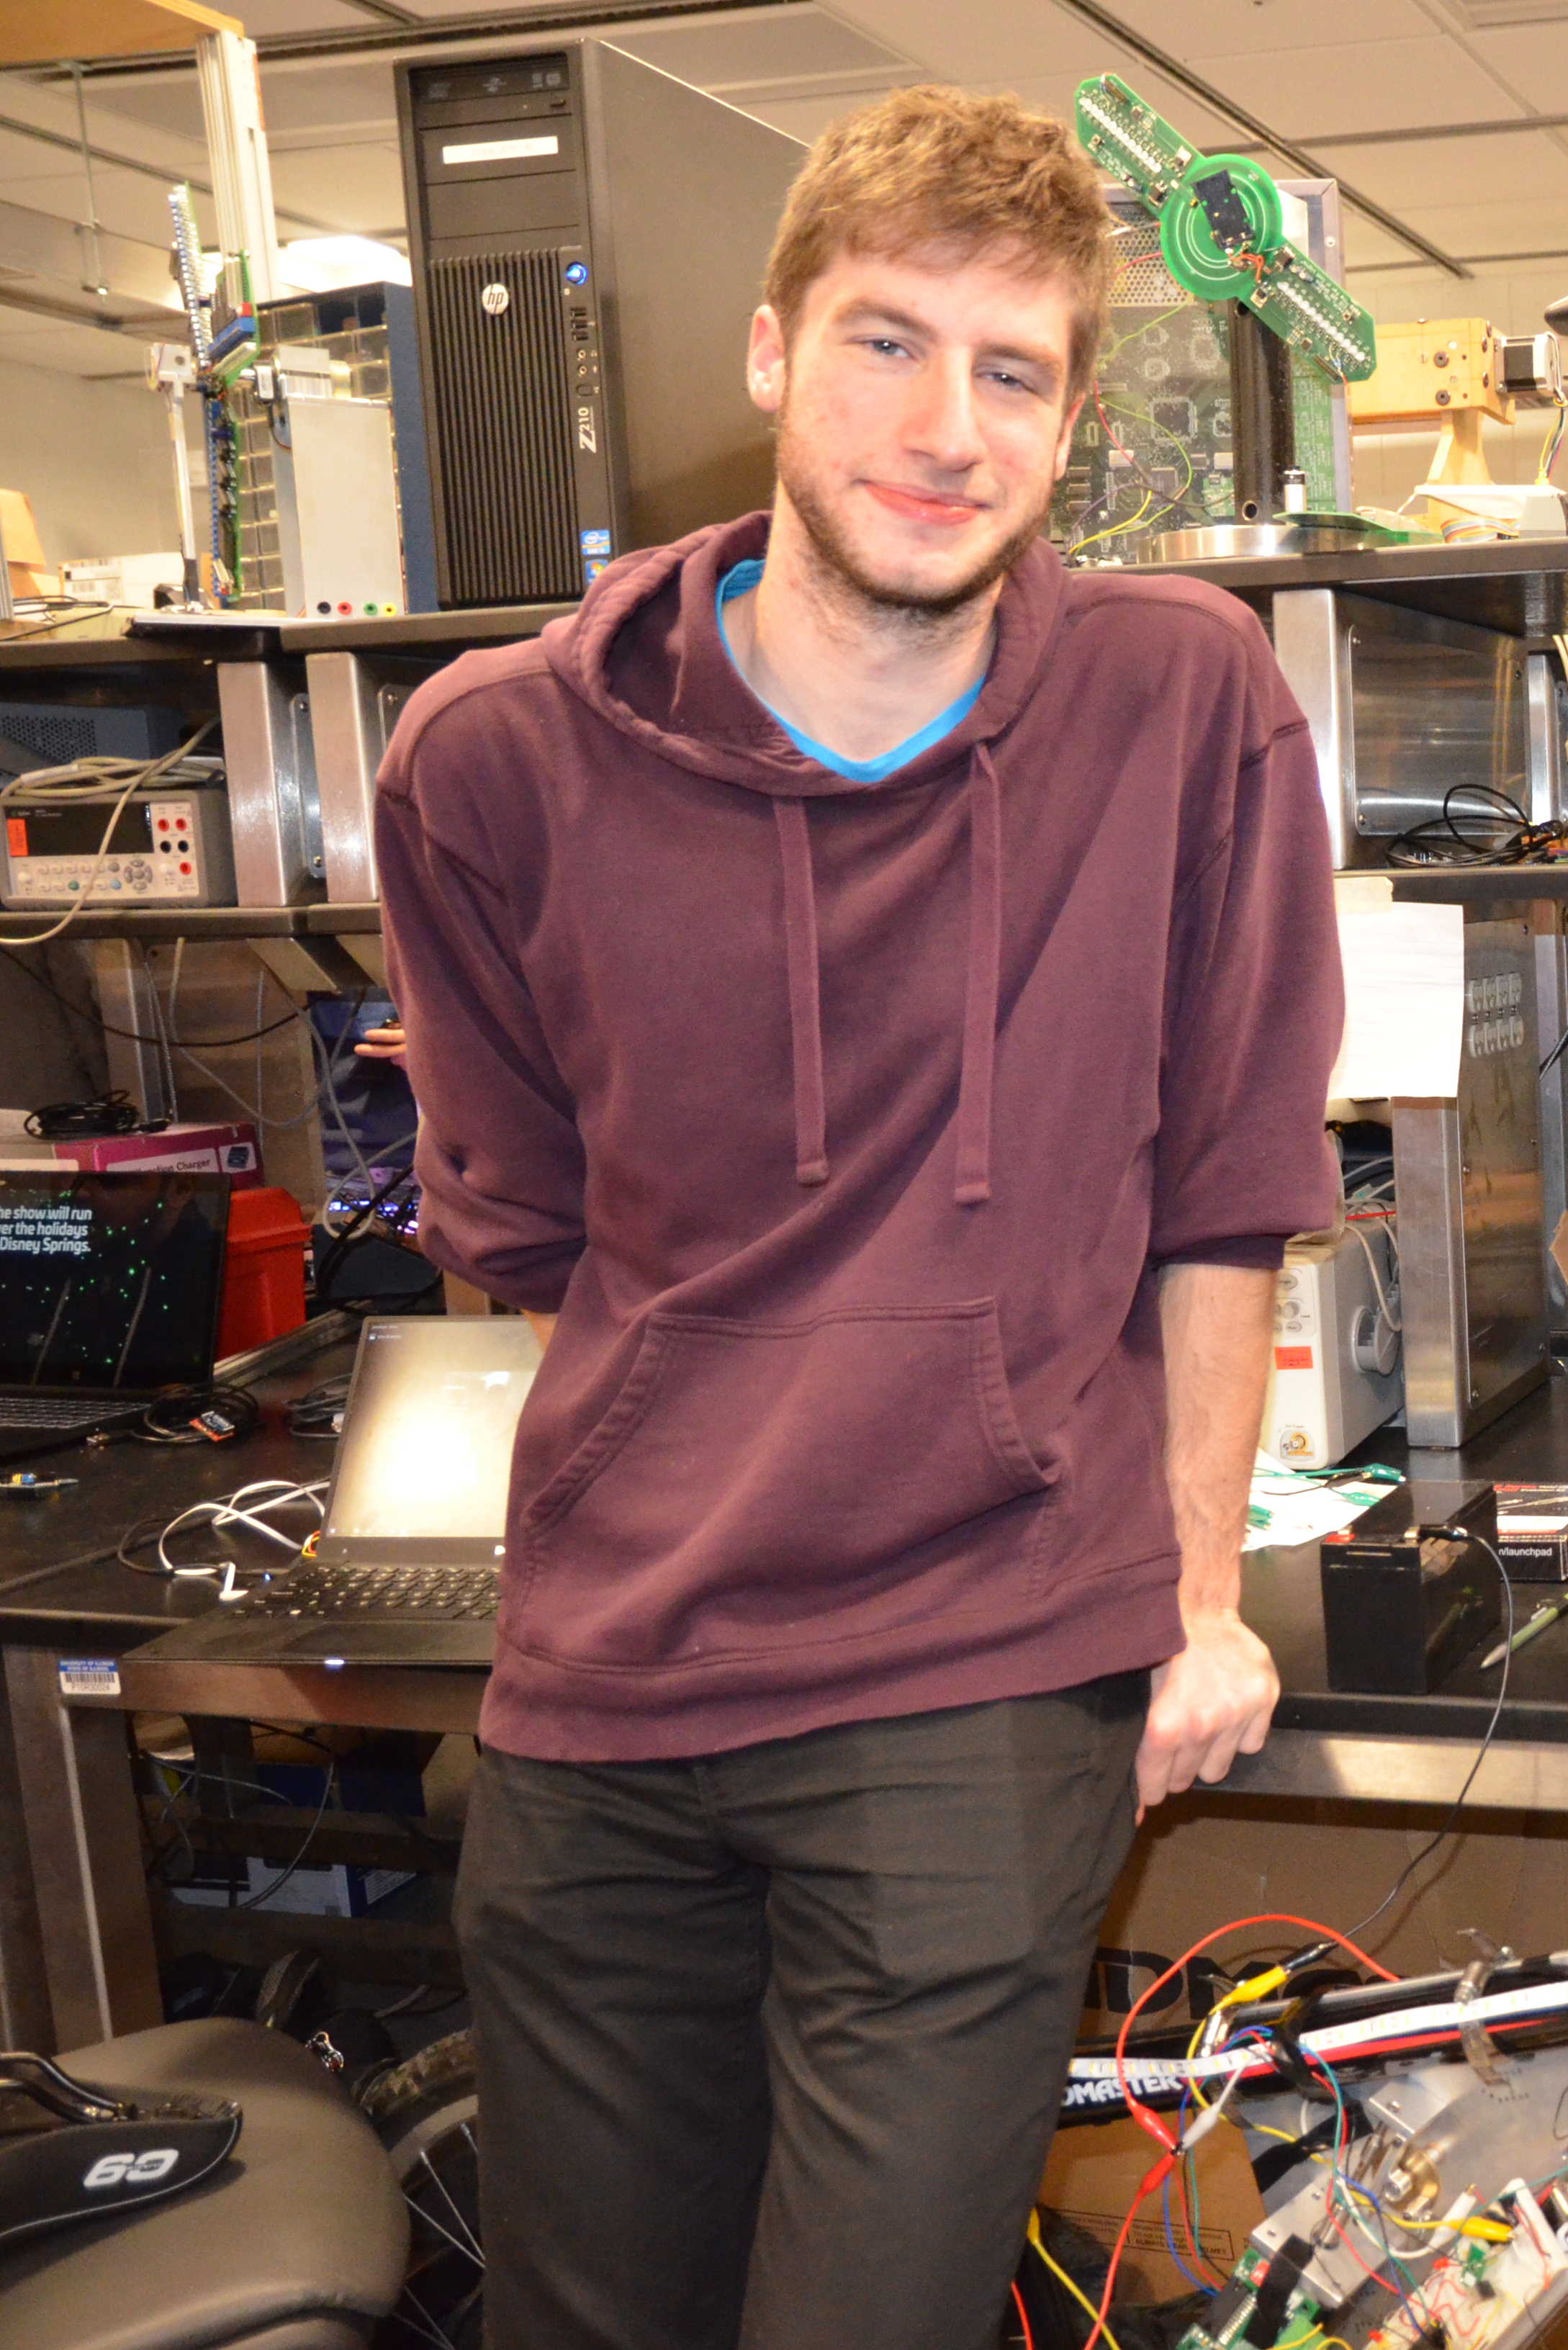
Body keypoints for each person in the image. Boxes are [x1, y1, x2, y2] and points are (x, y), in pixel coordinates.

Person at [372, 87, 1341, 2350]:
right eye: (890, 344)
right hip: (602, 1687)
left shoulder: (1184, 708)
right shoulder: (492, 761)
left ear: (1072, 419)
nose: (944, 426)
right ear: (770, 354)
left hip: (976, 1677)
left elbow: (1229, 1191)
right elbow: (519, 1218)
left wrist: (1194, 1592)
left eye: (1013, 373)